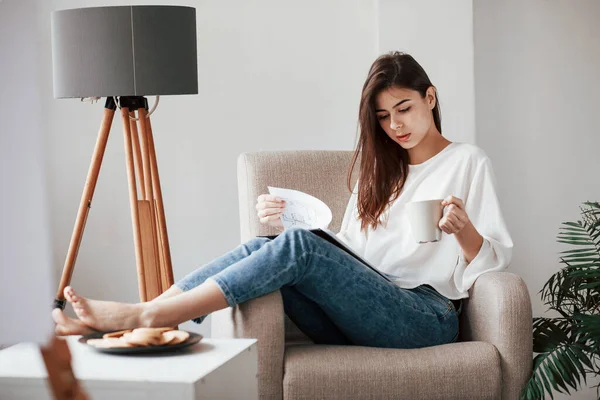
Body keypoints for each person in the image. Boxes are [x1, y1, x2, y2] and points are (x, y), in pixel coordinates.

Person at [52, 51, 513, 349]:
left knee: (299, 248)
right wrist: (296, 221)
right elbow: (354, 253)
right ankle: (146, 314)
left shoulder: (467, 162)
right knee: (266, 243)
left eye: (405, 109)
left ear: (429, 98)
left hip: (426, 317)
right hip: (368, 307)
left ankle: (146, 314)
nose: (395, 125)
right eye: (383, 117)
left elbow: (493, 264)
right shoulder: (380, 171)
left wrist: (465, 232)